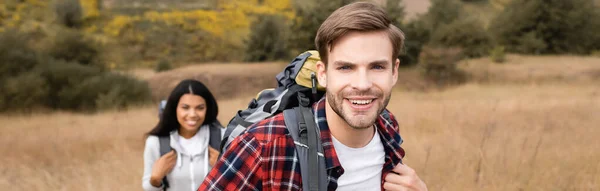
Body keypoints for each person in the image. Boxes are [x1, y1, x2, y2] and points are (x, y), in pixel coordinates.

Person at [199, 2, 427, 191]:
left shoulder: (387, 125)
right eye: (345, 67)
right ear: (323, 74)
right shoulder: (263, 146)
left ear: (394, 71)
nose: (362, 84)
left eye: (377, 67)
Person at [143, 79, 223, 191]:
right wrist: (155, 179)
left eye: (200, 108)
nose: (192, 114)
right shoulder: (156, 142)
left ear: (207, 109)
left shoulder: (223, 138)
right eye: (185, 107)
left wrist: (223, 169)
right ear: (174, 108)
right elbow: (148, 187)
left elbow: (241, 184)